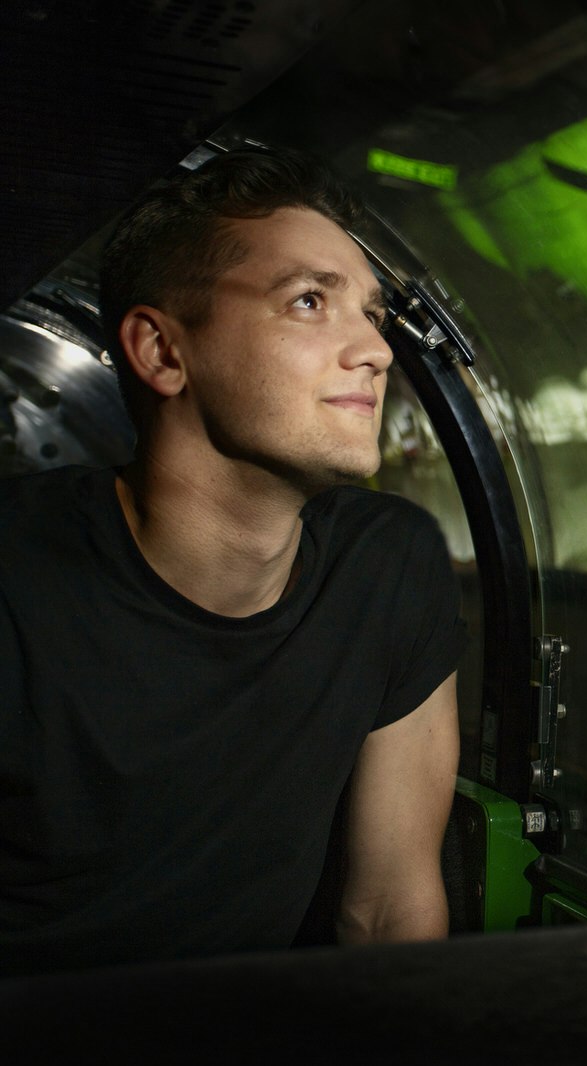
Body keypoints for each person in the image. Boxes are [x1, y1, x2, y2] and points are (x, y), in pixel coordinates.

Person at [0, 149, 467, 976]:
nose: (376, 350)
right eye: (311, 301)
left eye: (372, 312)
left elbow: (390, 908)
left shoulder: (387, 566)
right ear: (162, 352)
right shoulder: (20, 579)